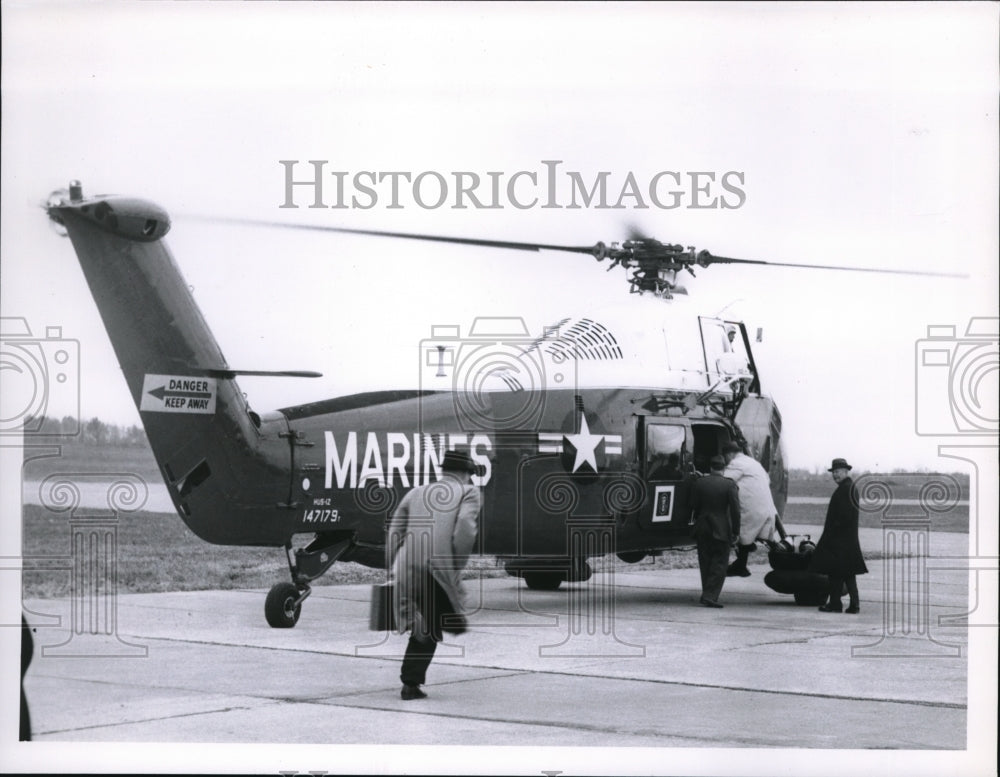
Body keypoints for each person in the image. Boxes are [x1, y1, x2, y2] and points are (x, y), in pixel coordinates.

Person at [387, 449, 481, 699]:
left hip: (405, 565)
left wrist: (393, 567)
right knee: (431, 625)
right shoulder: (468, 492)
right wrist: (456, 566)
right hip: (436, 568)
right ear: (465, 474)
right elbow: (465, 529)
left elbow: (395, 531)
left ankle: (411, 679)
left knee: (427, 622)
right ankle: (410, 683)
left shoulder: (416, 492)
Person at [810, 457, 868, 613]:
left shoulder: (845, 489)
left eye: (838, 472)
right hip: (847, 540)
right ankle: (854, 604)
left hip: (839, 540)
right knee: (848, 574)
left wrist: (832, 534)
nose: (835, 475)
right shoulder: (850, 487)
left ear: (846, 471)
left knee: (835, 573)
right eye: (833, 472)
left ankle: (835, 604)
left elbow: (843, 516)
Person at [687, 455, 741, 608]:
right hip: (722, 528)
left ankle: (707, 593)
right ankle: (710, 596)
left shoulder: (699, 483)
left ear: (710, 467)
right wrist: (736, 531)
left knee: (705, 561)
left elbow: (693, 504)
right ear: (724, 468)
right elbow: (736, 510)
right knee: (720, 562)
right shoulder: (729, 485)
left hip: (702, 526)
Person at [722, 441, 779, 577]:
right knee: (759, 539)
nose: (725, 461)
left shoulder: (736, 464)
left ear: (729, 454)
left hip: (752, 508)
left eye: (725, 457)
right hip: (766, 506)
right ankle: (742, 565)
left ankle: (740, 566)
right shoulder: (753, 463)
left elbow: (723, 481)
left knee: (741, 533)